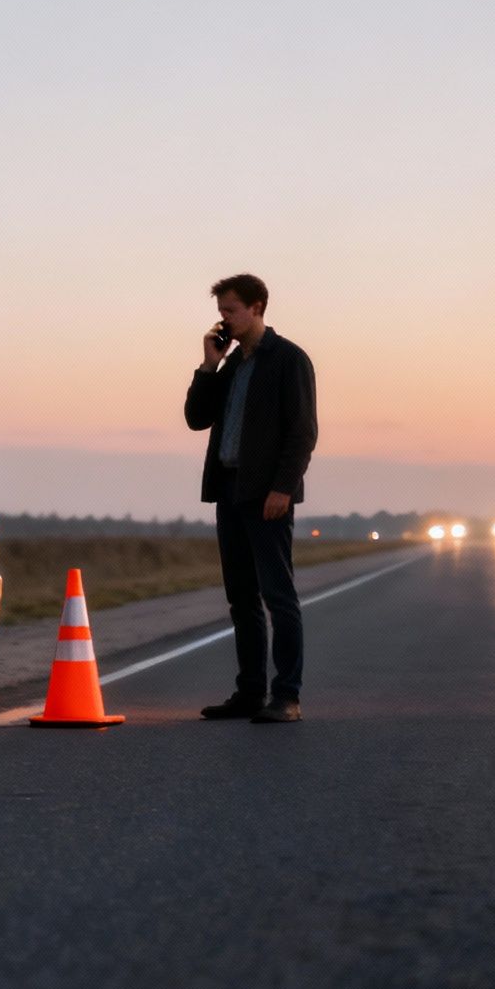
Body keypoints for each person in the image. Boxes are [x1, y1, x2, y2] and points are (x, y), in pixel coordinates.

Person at [184, 273, 318, 723]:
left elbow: (302, 433)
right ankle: (249, 693)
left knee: (278, 595)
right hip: (229, 490)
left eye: (230, 311)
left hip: (267, 496)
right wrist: (208, 365)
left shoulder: (289, 359)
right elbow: (196, 419)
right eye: (221, 311)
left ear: (257, 307)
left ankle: (288, 696)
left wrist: (282, 488)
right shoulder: (231, 365)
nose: (223, 319)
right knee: (241, 598)